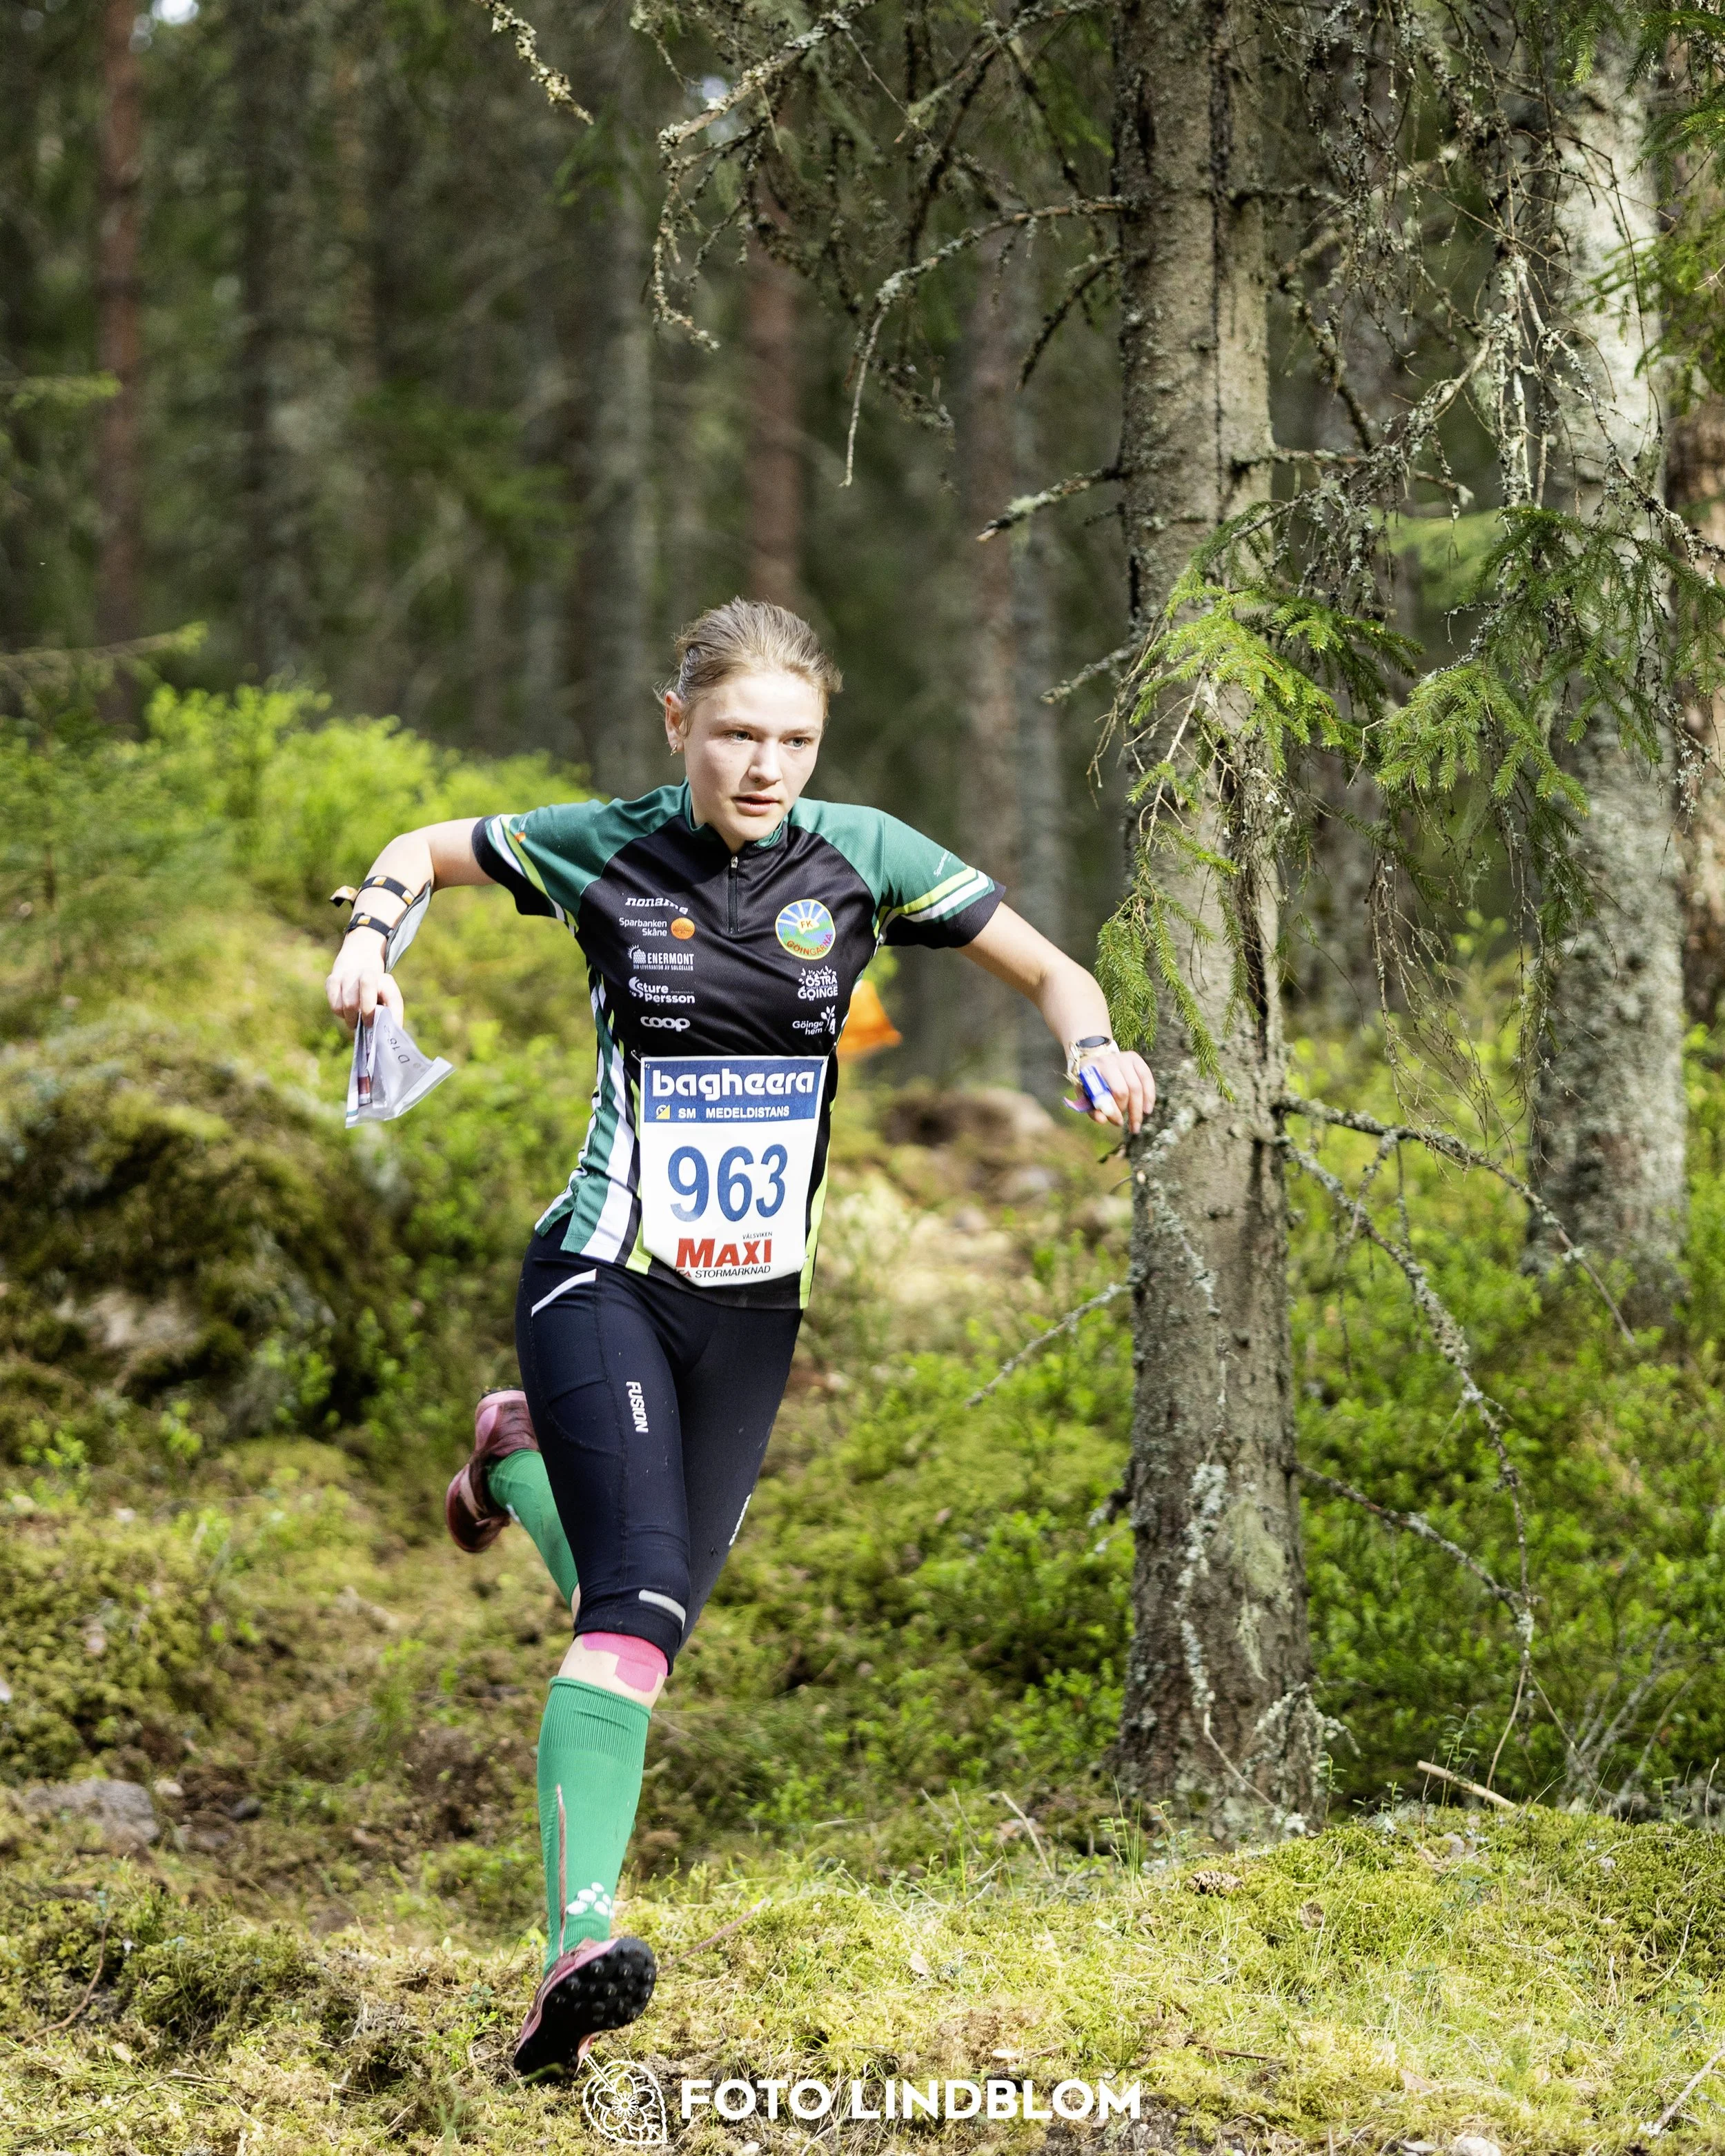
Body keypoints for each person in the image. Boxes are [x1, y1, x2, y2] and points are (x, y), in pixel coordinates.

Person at [324, 599, 1154, 2075]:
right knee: (633, 1620)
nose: (763, 764)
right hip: (603, 1276)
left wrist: (1091, 1046)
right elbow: (419, 850)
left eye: (792, 738)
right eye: (734, 735)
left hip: (754, 1308)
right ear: (676, 727)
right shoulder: (606, 846)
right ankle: (575, 1939)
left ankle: (514, 1456)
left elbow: (1050, 969)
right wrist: (370, 946)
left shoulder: (865, 855)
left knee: (640, 1616)